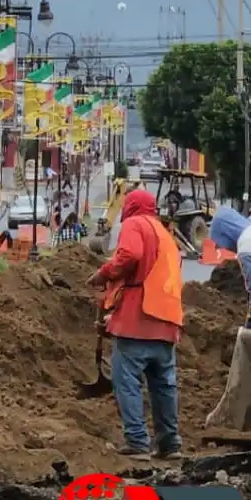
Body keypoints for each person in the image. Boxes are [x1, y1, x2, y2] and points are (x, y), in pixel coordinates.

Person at [86, 189, 184, 461]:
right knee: (163, 383)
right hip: (167, 319)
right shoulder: (165, 234)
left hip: (139, 318)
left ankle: (138, 442)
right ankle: (170, 443)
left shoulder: (134, 224)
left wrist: (103, 273)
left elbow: (129, 255)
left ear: (130, 207)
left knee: (125, 379)